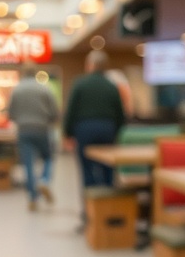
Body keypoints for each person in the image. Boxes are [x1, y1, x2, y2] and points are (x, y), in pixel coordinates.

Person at [63, 50, 126, 192]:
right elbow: (120, 113)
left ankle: (91, 206)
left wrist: (67, 133)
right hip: (107, 129)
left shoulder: (80, 84)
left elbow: (71, 111)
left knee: (87, 168)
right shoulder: (112, 86)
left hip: (84, 129)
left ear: (90, 65)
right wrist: (116, 131)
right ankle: (108, 202)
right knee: (107, 166)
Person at [8, 63, 60, 211]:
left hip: (24, 130)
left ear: (23, 73)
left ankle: (32, 197)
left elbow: (11, 114)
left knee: (28, 164)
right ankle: (44, 180)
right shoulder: (45, 88)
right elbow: (55, 113)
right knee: (48, 158)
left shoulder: (16, 90)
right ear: (35, 72)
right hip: (42, 129)